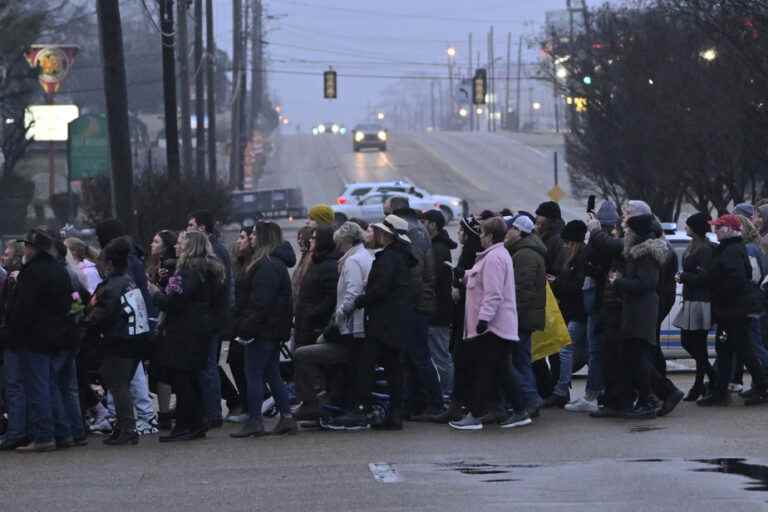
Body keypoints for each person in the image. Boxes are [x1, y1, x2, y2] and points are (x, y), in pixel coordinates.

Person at [324, 215, 416, 431]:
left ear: (386, 236)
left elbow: (379, 290)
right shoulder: (400, 257)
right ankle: (394, 413)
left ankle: (362, 408)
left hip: (382, 322)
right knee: (393, 369)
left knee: (364, 366)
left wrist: (360, 299)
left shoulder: (388, 258)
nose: (372, 235)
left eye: (377, 232)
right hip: (396, 321)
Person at [450, 217, 530, 431]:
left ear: (491, 236)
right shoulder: (492, 256)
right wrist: (463, 276)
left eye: (483, 234)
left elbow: (493, 293)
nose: (481, 237)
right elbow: (480, 281)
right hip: (495, 326)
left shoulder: (494, 258)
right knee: (500, 370)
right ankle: (522, 410)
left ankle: (476, 415)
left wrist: (483, 319)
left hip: (494, 326)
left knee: (485, 371)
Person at [680, 214, 768, 406]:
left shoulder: (732, 250)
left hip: (733, 311)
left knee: (741, 350)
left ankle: (759, 388)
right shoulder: (728, 249)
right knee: (727, 350)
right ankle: (721, 392)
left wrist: (713, 288)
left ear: (729, 229)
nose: (715, 230)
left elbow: (734, 280)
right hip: (730, 310)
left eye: (719, 227)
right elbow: (717, 276)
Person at [293, 222, 373, 421]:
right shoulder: (363, 256)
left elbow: (351, 296)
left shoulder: (353, 261)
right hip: (357, 329)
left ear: (345, 241)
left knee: (303, 355)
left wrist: (335, 320)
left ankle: (315, 402)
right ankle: (328, 400)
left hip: (350, 330)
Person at [610, 203, 684, 419]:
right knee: (635, 356)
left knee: (640, 356)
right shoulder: (639, 250)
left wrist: (618, 282)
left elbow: (647, 283)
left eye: (628, 227)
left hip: (643, 309)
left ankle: (658, 395)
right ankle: (657, 394)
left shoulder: (647, 252)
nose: (625, 231)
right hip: (637, 308)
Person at [154, 231, 227, 442]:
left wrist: (156, 293)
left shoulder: (188, 270)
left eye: (179, 243)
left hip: (185, 331)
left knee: (181, 378)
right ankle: (196, 423)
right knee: (192, 377)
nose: (176, 247)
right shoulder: (210, 268)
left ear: (189, 247)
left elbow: (174, 301)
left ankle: (185, 425)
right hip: (201, 329)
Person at [8, 229, 74, 452]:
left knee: (38, 388)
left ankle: (44, 435)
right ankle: (63, 433)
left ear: (33, 248)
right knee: (52, 386)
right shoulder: (59, 270)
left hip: (34, 337)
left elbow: (22, 308)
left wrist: (12, 331)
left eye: (27, 246)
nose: (24, 250)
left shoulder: (32, 272)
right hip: (58, 336)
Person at [230, 222, 296, 437]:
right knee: (271, 373)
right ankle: (286, 417)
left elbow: (261, 303)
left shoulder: (266, 265)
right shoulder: (273, 263)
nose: (251, 237)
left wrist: (246, 328)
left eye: (255, 234)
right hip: (272, 329)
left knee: (254, 374)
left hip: (263, 330)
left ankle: (256, 420)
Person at [85, 237, 151, 446]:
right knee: (120, 383)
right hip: (134, 339)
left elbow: (103, 313)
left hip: (120, 341)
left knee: (118, 385)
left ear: (110, 263)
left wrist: (82, 320)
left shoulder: (113, 285)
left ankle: (127, 428)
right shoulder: (127, 280)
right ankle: (124, 427)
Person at [95, 219, 158, 434]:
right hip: (136, 325)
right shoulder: (134, 261)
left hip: (125, 329)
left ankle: (142, 416)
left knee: (128, 377)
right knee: (127, 375)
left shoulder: (123, 270)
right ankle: (133, 416)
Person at [384, 196, 444, 420]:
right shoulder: (418, 230)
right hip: (417, 302)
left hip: (415, 304)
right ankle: (416, 403)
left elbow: (415, 273)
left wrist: (403, 301)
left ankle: (435, 404)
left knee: (419, 356)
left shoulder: (412, 232)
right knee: (410, 357)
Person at [187, 210, 233, 429]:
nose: (187, 230)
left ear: (202, 229)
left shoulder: (213, 252)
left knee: (208, 367)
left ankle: (213, 413)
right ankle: (216, 408)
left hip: (211, 318)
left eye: (191, 225)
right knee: (208, 365)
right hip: (212, 317)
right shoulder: (214, 249)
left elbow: (221, 288)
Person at [504, 215, 546, 418]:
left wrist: (512, 315)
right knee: (521, 360)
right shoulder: (523, 251)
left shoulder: (525, 255)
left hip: (522, 317)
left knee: (516, 361)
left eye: (509, 229)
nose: (506, 232)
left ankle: (530, 399)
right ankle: (528, 399)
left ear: (518, 231)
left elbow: (523, 290)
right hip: (525, 316)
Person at [673, 212, 716, 401]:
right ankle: (710, 380)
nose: (685, 227)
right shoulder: (694, 246)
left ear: (695, 228)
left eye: (688, 225)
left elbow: (705, 278)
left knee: (695, 343)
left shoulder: (705, 249)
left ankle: (703, 383)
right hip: (691, 299)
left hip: (701, 301)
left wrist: (684, 277)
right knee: (690, 342)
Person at [547, 220, 588, 408]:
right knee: (577, 351)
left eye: (568, 243)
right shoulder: (573, 257)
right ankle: (563, 389)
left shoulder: (581, 258)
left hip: (580, 312)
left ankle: (561, 390)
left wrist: (556, 283)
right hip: (575, 312)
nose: (565, 246)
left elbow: (577, 286)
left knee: (566, 349)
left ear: (574, 242)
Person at [422, 209, 457, 399]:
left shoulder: (437, 249)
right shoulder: (436, 246)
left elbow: (433, 281)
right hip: (437, 309)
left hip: (438, 311)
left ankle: (447, 393)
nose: (421, 225)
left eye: (424, 222)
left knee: (441, 356)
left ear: (433, 225)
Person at [145, 229, 178, 431]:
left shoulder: (169, 267)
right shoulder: (155, 266)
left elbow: (168, 297)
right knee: (159, 371)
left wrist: (155, 288)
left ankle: (165, 413)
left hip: (165, 325)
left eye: (156, 241)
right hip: (156, 322)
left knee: (164, 370)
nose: (152, 244)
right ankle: (166, 411)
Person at [222, 226, 254, 424]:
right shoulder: (239, 262)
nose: (238, 241)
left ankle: (251, 406)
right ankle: (247, 402)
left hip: (248, 322)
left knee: (244, 362)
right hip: (238, 321)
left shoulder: (255, 265)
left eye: (242, 237)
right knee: (236, 360)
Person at [0, 240, 28, 450]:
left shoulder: (13, 279)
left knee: (14, 386)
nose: (4, 256)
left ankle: (17, 431)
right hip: (21, 338)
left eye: (7, 253)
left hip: (13, 340)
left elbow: (10, 312)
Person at [293, 225, 339, 349]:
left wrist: (311, 314)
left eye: (314, 238)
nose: (310, 240)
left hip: (314, 327)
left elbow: (331, 297)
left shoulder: (329, 265)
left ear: (322, 241)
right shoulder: (316, 262)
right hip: (304, 325)